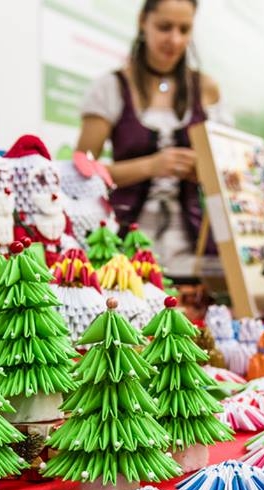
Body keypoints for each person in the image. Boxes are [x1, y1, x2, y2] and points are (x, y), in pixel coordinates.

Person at [76, 0, 228, 281]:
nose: (175, 39)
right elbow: (80, 173)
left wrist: (204, 170)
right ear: (142, 22)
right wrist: (150, 166)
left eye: (184, 29)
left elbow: (231, 174)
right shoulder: (110, 87)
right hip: (122, 252)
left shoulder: (206, 89)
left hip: (195, 254)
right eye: (164, 27)